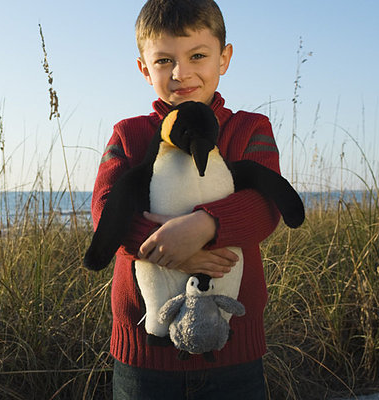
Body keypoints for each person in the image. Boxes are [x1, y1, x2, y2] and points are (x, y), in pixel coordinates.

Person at [90, 0, 281, 398]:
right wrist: (169, 250)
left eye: (198, 55)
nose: (181, 73)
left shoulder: (250, 129)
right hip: (144, 354)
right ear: (144, 68)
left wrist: (203, 226)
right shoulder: (128, 134)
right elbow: (105, 209)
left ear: (224, 57)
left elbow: (266, 207)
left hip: (236, 352)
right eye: (163, 61)